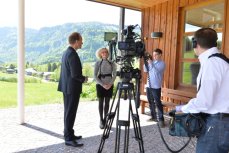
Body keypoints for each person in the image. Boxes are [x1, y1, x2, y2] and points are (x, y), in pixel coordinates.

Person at [176, 28, 229, 153]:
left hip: (216, 124)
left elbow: (205, 102)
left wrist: (181, 109)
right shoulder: (221, 61)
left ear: (195, 44)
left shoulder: (212, 63)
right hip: (222, 123)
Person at [58, 32, 88, 147]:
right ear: (76, 41)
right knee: (70, 113)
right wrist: (84, 79)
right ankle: (68, 138)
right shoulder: (72, 54)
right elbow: (75, 74)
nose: (82, 43)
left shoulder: (67, 52)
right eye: (81, 41)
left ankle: (69, 133)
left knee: (68, 112)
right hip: (72, 89)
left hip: (67, 88)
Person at [94, 48, 117, 129]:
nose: (104, 53)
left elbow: (114, 75)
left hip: (109, 84)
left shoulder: (112, 63)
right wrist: (102, 84)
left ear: (108, 53)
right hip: (100, 85)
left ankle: (105, 119)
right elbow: (95, 76)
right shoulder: (97, 63)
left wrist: (110, 84)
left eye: (106, 52)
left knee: (107, 103)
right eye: (102, 52)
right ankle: (101, 120)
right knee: (101, 102)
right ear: (100, 54)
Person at [144, 48, 166, 127]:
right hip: (149, 85)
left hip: (156, 86)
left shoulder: (162, 63)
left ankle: (161, 119)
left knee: (158, 103)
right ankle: (153, 116)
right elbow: (145, 70)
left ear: (160, 55)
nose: (154, 56)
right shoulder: (151, 62)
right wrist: (146, 62)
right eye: (153, 55)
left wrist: (151, 64)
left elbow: (156, 71)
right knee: (150, 102)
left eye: (156, 55)